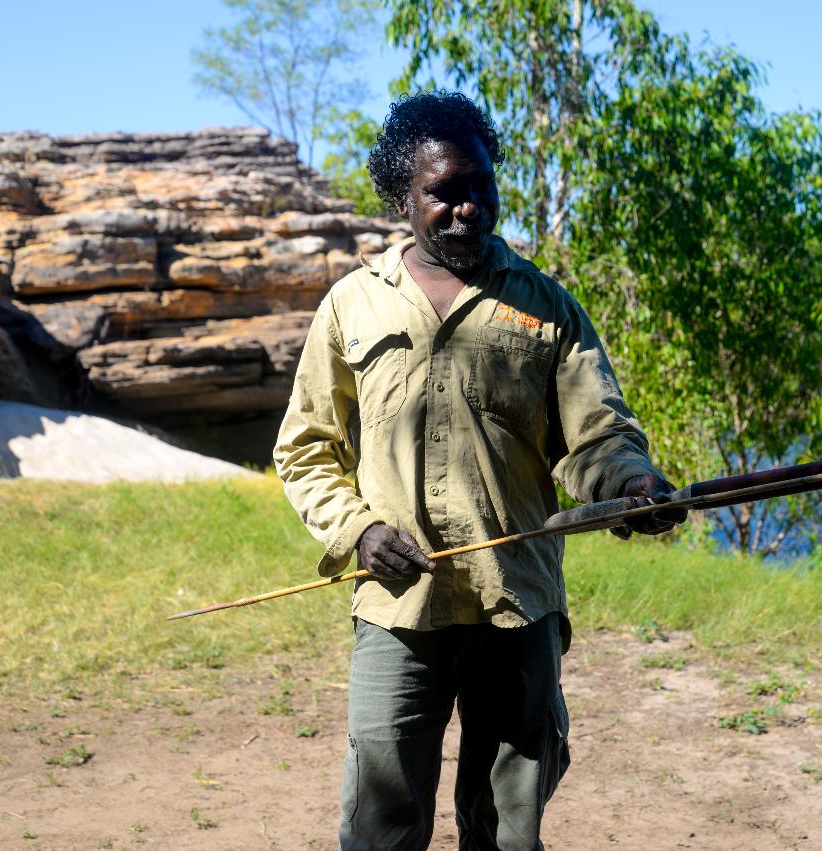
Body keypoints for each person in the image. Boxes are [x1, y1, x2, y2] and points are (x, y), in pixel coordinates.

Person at [273, 90, 684, 851]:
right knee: (380, 823)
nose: (467, 207)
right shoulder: (351, 307)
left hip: (516, 601)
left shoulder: (545, 307)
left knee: (504, 827)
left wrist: (632, 485)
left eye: (481, 187)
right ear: (403, 198)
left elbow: (596, 434)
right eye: (444, 191)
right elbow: (305, 448)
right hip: (400, 609)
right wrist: (359, 530)